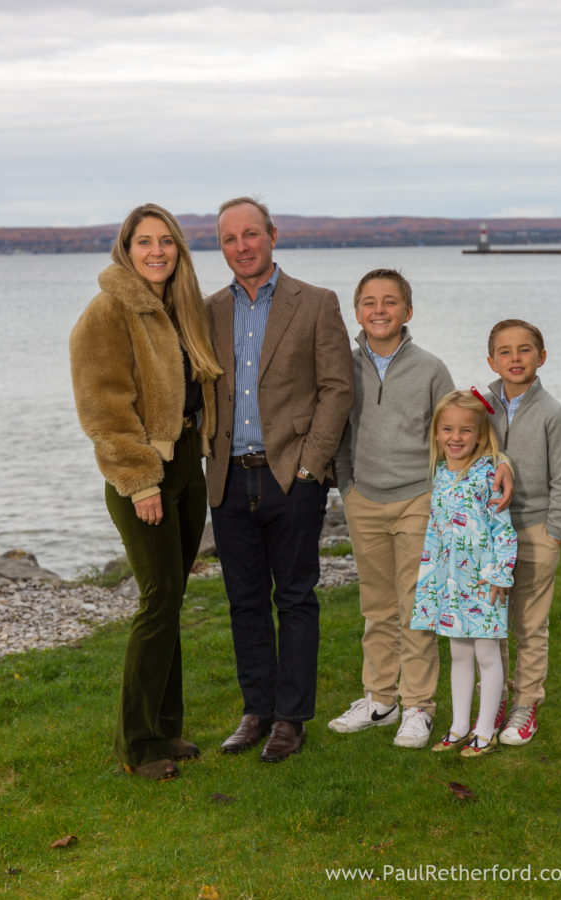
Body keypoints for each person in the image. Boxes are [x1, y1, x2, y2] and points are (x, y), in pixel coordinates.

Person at [329, 269, 514, 748]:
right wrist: (346, 486)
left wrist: (501, 461)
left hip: (419, 500)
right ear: (357, 312)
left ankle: (418, 707)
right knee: (377, 605)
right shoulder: (343, 366)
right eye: (369, 302)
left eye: (390, 301)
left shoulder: (430, 368)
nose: (380, 310)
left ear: (407, 311)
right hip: (363, 498)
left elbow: (464, 425)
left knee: (416, 605)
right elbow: (339, 433)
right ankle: (380, 698)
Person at [70, 203, 222, 781]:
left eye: (166, 242)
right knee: (158, 599)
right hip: (145, 471)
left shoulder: (179, 307)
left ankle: (167, 726)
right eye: (144, 243)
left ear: (178, 249)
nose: (156, 252)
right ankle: (139, 744)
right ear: (125, 249)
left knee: (172, 599)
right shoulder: (108, 310)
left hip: (188, 464)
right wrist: (139, 482)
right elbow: (103, 407)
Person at [206, 196, 354, 762]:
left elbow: (337, 387)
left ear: (272, 235)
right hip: (227, 478)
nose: (241, 247)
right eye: (228, 239)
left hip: (292, 474)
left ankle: (291, 719)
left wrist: (312, 465)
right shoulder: (208, 309)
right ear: (221, 247)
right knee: (244, 601)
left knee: (294, 598)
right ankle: (256, 710)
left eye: (250, 234)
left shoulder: (315, 303)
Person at [410, 390, 518, 756]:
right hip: (449, 583)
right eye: (447, 429)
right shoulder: (440, 473)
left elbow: (503, 528)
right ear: (437, 433)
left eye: (465, 431)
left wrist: (502, 574)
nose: (455, 438)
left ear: (480, 433)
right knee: (459, 654)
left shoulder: (489, 474)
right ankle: (458, 727)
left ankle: (484, 731)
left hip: (484, 582)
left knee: (487, 655)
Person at [486, 319, 561, 746]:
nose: (515, 358)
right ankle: (497, 699)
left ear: (541, 357)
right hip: (490, 534)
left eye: (525, 350)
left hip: (537, 529)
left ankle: (527, 704)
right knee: (493, 621)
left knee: (530, 623)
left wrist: (555, 533)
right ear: (491, 360)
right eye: (505, 351)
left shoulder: (552, 414)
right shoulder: (482, 406)